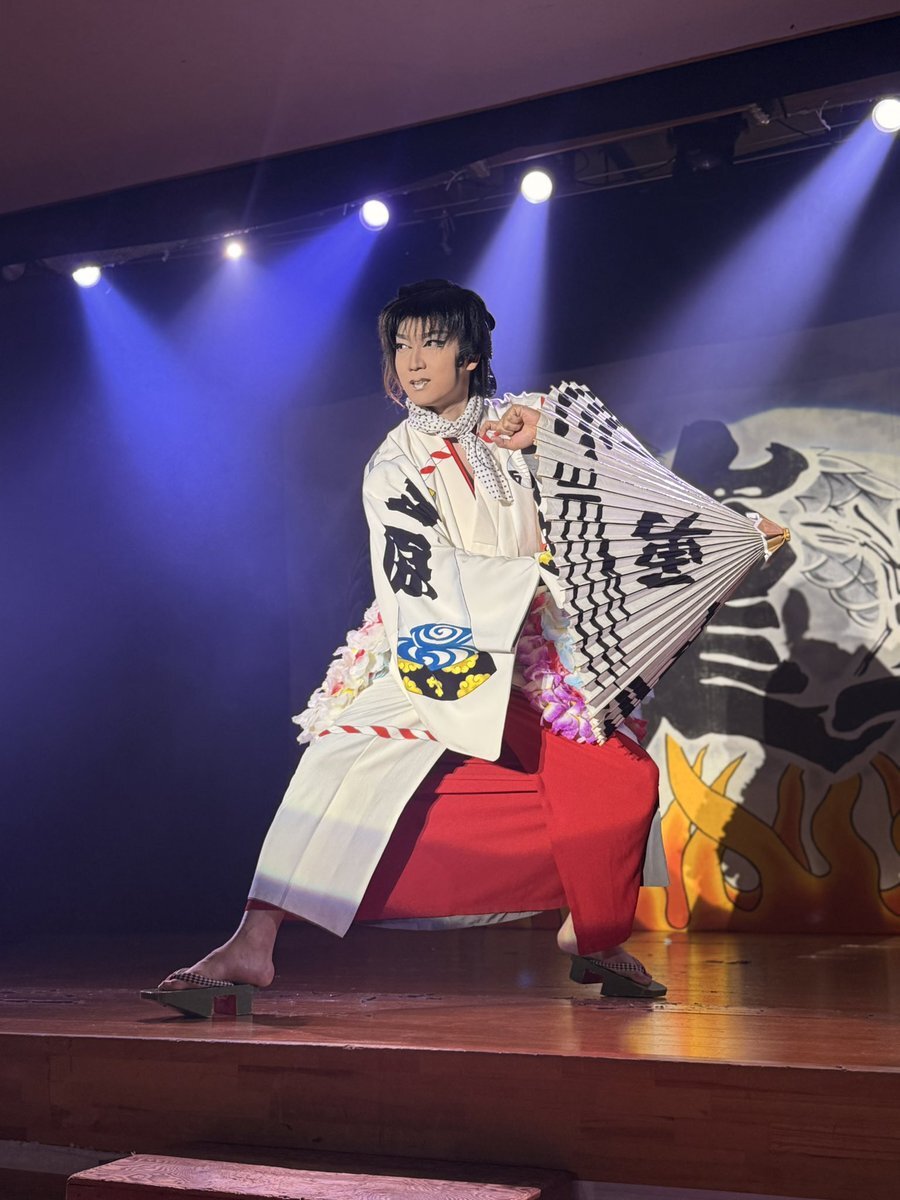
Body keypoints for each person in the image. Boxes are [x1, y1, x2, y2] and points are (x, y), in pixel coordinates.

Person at [151, 279, 693, 1010]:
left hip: (539, 650)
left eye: (432, 342)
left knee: (620, 779)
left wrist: (557, 441)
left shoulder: (528, 417)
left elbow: (630, 485)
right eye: (401, 345)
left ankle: (592, 935)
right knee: (339, 762)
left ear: (470, 355)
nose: (412, 361)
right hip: (434, 639)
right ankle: (252, 943)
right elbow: (426, 576)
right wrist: (524, 580)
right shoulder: (395, 464)